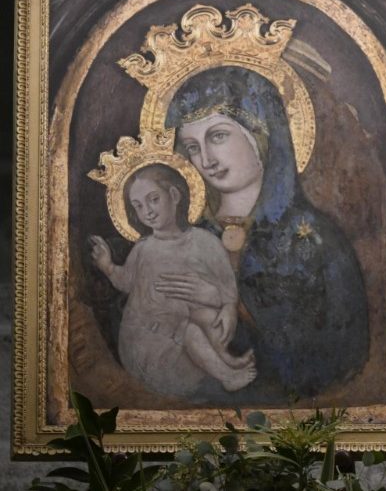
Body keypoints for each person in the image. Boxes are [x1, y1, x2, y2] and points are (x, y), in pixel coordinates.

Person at [163, 66, 369, 400]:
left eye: (217, 136)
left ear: (261, 134)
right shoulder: (184, 236)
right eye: (192, 146)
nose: (206, 160)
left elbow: (341, 352)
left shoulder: (316, 240)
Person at [90, 164, 257, 397]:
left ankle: (227, 360)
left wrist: (228, 307)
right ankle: (227, 376)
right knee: (189, 330)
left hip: (182, 331)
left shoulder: (205, 242)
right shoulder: (143, 249)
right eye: (138, 206)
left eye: (153, 199)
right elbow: (126, 282)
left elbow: (227, 284)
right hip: (148, 340)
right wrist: (107, 266)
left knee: (207, 317)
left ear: (175, 196)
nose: (147, 211)